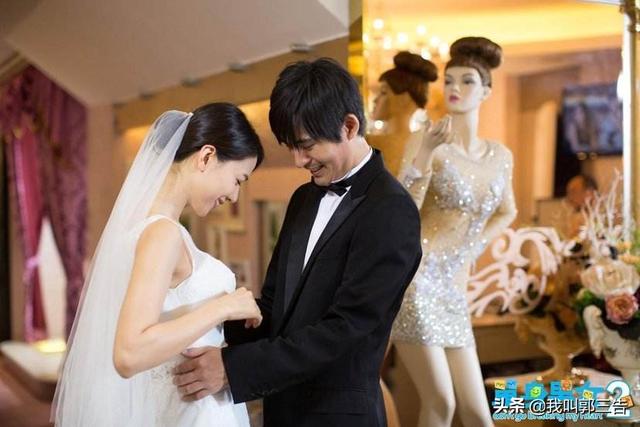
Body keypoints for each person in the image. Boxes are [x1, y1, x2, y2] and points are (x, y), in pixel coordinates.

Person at [172, 58, 422, 427]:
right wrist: (203, 322)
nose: (298, 160)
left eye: (306, 145)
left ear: (349, 126)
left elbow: (346, 330)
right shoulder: (304, 199)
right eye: (291, 146)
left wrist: (232, 369)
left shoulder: (391, 210)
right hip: (282, 413)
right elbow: (276, 309)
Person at [53, 103, 265, 426]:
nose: (235, 196)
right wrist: (224, 307)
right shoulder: (162, 233)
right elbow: (130, 353)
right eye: (238, 179)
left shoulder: (145, 229)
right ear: (207, 157)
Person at [390, 37, 517, 427]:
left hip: (453, 288)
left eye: (466, 81)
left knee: (478, 412)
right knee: (440, 403)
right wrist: (426, 152)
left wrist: (472, 248)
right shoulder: (427, 140)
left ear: (486, 91)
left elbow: (508, 212)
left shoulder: (500, 156)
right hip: (416, 281)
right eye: (448, 81)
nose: (454, 88)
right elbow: (400, 210)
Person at [369, 51, 438, 176]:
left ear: (404, 99)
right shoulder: (369, 142)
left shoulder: (423, 144)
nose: (375, 100)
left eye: (383, 92)